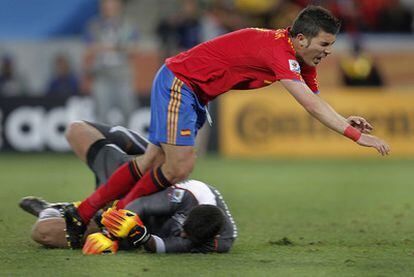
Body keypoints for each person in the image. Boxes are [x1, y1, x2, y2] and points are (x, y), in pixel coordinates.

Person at [65, 6, 390, 246]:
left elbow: (315, 102)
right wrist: (356, 136)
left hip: (191, 89)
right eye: (324, 45)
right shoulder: (280, 52)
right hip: (182, 83)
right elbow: (311, 104)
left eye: (331, 45)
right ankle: (113, 219)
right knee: (179, 166)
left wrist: (345, 120)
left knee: (153, 161)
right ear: (302, 39)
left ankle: (87, 214)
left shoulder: (300, 58)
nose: (328, 52)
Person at [20, 121, 236, 253]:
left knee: (43, 232)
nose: (182, 236)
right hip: (136, 194)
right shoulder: (188, 195)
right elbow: (138, 202)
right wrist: (112, 227)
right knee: (76, 130)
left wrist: (135, 235)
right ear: (188, 215)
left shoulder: (217, 242)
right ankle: (142, 154)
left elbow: (159, 246)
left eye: (185, 238)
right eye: (184, 232)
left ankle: (55, 209)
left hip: (134, 226)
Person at [83, 0, 139, 125]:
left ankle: (125, 142)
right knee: (101, 112)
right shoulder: (94, 25)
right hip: (102, 75)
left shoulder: (128, 25)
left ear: (118, 6)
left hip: (122, 75)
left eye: (112, 4)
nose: (109, 8)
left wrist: (114, 47)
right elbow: (88, 47)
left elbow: (134, 48)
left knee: (128, 110)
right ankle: (104, 143)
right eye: (106, 4)